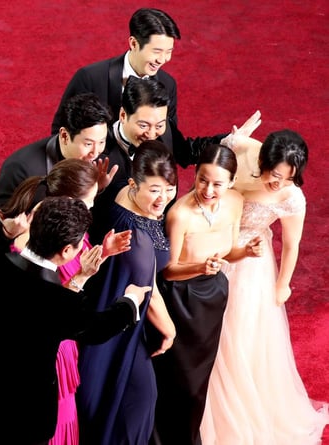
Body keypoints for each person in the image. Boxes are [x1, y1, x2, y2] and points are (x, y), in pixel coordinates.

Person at [0, 196, 151, 445]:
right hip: (21, 421)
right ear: (67, 251)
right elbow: (98, 329)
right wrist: (130, 301)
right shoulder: (59, 302)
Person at [0, 158, 132, 445]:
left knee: (62, 409)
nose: (91, 207)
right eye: (88, 201)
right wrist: (129, 301)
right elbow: (44, 304)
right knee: (52, 415)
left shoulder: (57, 226)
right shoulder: (33, 238)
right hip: (46, 346)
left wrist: (100, 253)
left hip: (61, 335)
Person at [200, 130, 329, 444]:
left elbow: (292, 244)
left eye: (287, 178)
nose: (278, 183)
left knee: (238, 336)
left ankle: (235, 416)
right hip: (213, 248)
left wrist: (283, 284)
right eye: (274, 175)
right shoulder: (247, 157)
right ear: (262, 162)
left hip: (250, 266)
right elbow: (233, 146)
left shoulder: (290, 197)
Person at [151, 144, 263, 445]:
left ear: (230, 182)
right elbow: (168, 270)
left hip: (213, 297)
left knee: (199, 382)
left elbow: (228, 251)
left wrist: (246, 252)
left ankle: (188, 437)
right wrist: (201, 266)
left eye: (217, 183)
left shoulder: (236, 202)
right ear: (195, 175)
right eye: (203, 179)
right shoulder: (179, 214)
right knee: (178, 381)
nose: (208, 189)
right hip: (180, 300)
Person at [50, 7, 261, 163]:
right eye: (157, 52)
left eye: (169, 52)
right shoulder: (90, 77)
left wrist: (228, 141)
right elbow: (59, 135)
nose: (164, 59)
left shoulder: (167, 84)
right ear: (133, 43)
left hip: (151, 193)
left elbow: (176, 147)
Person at [0, 92, 114, 285]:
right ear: (63, 135)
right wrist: (8, 231)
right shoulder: (22, 167)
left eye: (101, 142)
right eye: (88, 144)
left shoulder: (89, 160)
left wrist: (94, 187)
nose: (95, 152)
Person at [77, 140, 178, 445]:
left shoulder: (119, 190)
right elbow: (149, 294)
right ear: (135, 184)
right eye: (155, 190)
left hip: (110, 309)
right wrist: (171, 330)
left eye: (169, 188)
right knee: (139, 402)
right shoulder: (137, 240)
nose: (163, 198)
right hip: (120, 326)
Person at [89, 75, 260, 244]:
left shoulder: (166, 130)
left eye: (159, 125)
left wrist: (228, 141)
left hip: (163, 235)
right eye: (143, 126)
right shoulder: (98, 152)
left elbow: (186, 151)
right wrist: (97, 191)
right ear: (123, 115)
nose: (151, 134)